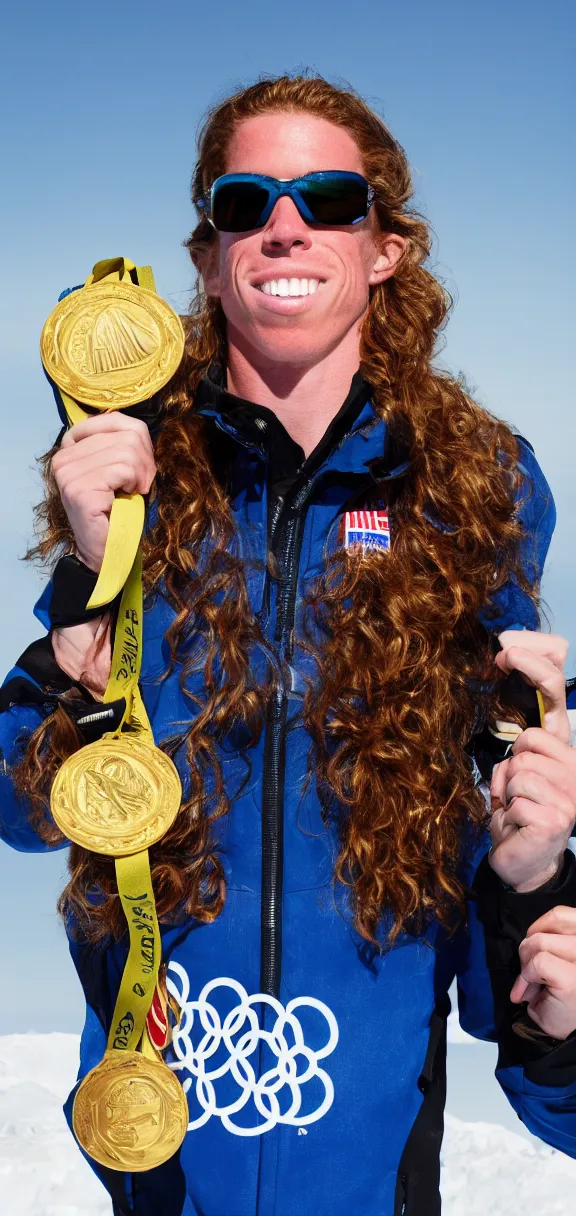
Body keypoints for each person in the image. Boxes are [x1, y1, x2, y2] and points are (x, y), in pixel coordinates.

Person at [1, 74, 576, 1216]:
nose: (285, 225)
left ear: (386, 250)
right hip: (156, 1142)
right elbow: (21, 807)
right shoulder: (126, 480)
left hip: (368, 1154)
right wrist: (82, 580)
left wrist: (541, 871)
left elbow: (499, 800)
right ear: (209, 257)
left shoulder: (479, 483)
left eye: (327, 197)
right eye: (244, 200)